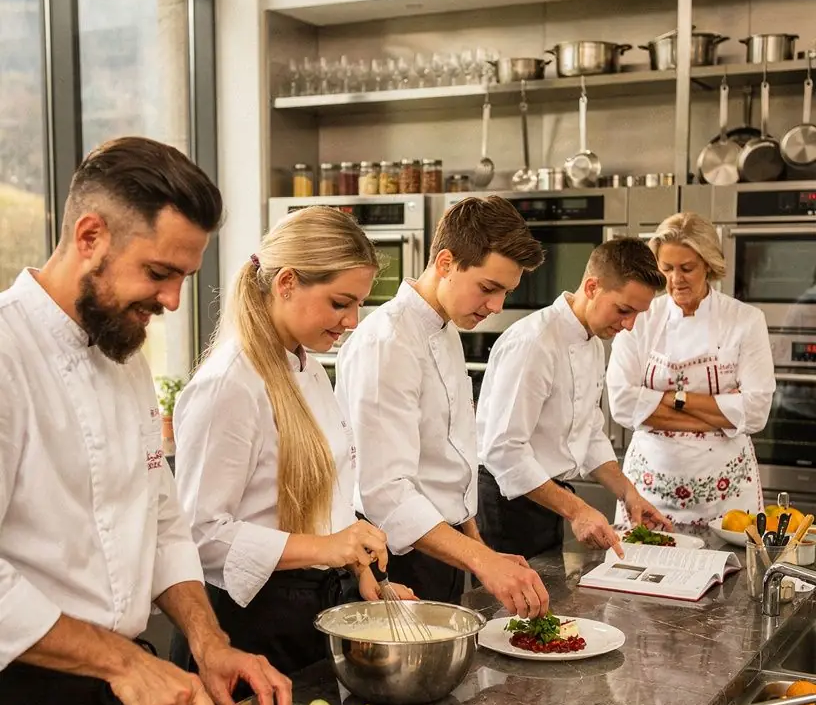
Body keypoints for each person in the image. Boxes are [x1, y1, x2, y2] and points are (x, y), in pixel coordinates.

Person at [0, 136, 291, 705]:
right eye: (160, 272)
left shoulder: (124, 353)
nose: (172, 300)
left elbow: (160, 520)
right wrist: (124, 661)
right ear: (91, 234)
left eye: (185, 277)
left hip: (128, 702)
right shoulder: (8, 355)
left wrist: (207, 640)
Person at [173, 207, 412, 674]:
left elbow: (328, 498)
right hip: (248, 624)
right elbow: (199, 536)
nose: (353, 321)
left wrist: (363, 573)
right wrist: (326, 548)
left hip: (308, 610)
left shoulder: (308, 367)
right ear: (286, 283)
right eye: (340, 302)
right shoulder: (230, 385)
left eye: (359, 303)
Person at [335, 195, 551, 616]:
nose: (497, 307)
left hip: (445, 547)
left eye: (505, 292)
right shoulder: (387, 342)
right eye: (488, 288)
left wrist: (477, 546)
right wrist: (479, 559)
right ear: (447, 262)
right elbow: (387, 492)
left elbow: (447, 463)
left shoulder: (446, 327)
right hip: (396, 555)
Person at [477, 238, 671, 559]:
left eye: (638, 314)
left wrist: (628, 493)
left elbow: (590, 432)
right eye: (624, 310)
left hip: (548, 498)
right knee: (509, 608)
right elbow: (504, 452)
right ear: (592, 287)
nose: (629, 325)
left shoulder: (593, 341)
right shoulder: (534, 342)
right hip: (507, 505)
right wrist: (577, 510)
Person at [606, 211, 776, 529]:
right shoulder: (641, 318)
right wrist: (721, 413)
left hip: (727, 496)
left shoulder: (745, 320)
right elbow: (621, 404)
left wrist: (668, 398)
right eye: (666, 268)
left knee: (732, 576)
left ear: (708, 265)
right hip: (650, 491)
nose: (675, 279)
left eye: (687, 268)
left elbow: (754, 412)